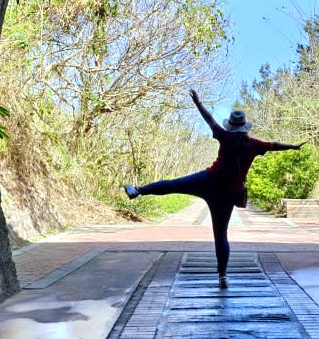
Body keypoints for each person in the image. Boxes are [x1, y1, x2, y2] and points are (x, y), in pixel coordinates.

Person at [124, 89, 305, 289]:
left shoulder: (225, 136)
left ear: (232, 125)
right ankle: (222, 276)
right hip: (228, 194)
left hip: (208, 181)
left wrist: (198, 103)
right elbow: (274, 145)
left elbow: (209, 119)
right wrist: (293, 146)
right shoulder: (253, 144)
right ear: (244, 127)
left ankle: (138, 190)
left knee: (173, 184)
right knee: (221, 235)